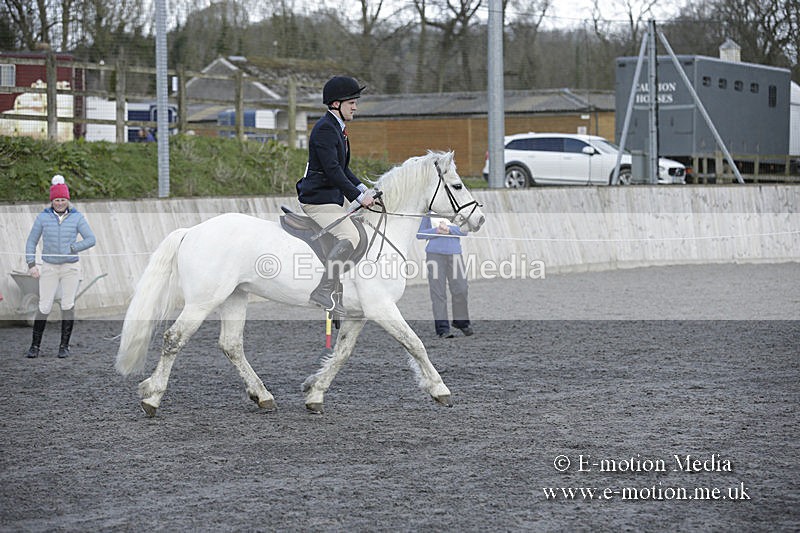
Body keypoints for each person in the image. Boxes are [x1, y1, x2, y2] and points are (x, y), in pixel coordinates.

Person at [296, 75, 376, 316]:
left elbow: (343, 169)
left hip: (329, 198)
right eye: (351, 102)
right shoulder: (324, 130)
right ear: (335, 104)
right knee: (349, 235)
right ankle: (324, 289)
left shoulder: (338, 129)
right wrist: (357, 198)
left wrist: (363, 190)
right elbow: (332, 171)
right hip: (317, 200)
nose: (355, 106)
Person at [24, 175, 96, 358]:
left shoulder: (77, 217)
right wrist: (31, 264)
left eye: (63, 199)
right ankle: (35, 346)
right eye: (57, 199)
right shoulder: (43, 217)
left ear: (67, 200)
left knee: (67, 304)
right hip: (49, 267)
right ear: (52, 200)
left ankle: (64, 346)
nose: (60, 202)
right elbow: (31, 241)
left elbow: (91, 239)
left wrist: (74, 247)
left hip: (70, 268)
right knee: (45, 305)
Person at [416, 216, 473, 338]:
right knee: (438, 293)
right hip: (434, 256)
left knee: (461, 289)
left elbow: (464, 230)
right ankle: (442, 329)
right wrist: (436, 231)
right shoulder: (428, 213)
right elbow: (419, 234)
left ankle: (461, 322)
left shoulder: (456, 212)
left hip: (455, 254)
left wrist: (448, 229)